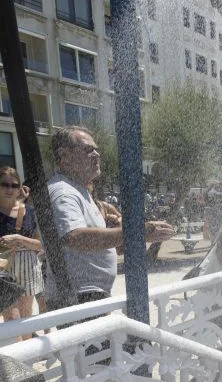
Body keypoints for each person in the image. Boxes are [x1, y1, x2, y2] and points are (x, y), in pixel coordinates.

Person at [44, 127, 174, 310]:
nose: (96, 154)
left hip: (89, 294)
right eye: (88, 150)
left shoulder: (79, 191)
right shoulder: (63, 192)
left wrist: (116, 232)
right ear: (64, 156)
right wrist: (139, 231)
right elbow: (76, 239)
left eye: (96, 149)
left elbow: (110, 249)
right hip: (79, 296)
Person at [0, 166, 43, 330]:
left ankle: (29, 354)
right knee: (12, 317)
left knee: (25, 317)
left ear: (19, 189)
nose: (10, 189)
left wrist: (18, 238)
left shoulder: (29, 212)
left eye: (14, 185)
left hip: (28, 266)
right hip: (3, 268)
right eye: (5, 184)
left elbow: (40, 244)